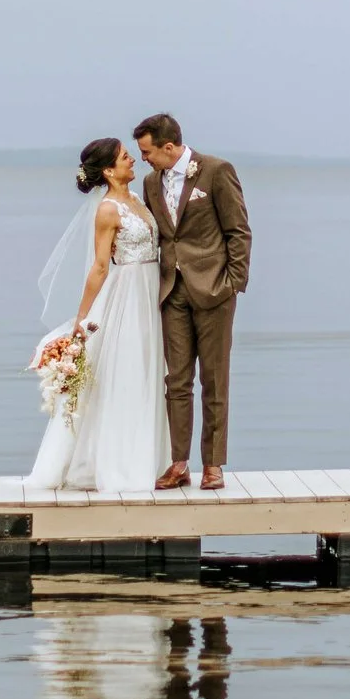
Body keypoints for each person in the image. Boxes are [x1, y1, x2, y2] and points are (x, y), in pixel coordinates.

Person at [27, 138, 173, 493]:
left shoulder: (136, 199)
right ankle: (118, 464)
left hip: (149, 292)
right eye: (125, 156)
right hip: (126, 295)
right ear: (109, 170)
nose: (132, 160)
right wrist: (83, 317)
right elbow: (99, 266)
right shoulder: (108, 210)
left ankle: (150, 459)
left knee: (148, 371)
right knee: (124, 373)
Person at [131, 114, 250, 491]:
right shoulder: (151, 183)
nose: (144, 159)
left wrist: (233, 283)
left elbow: (238, 231)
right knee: (176, 381)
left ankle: (213, 465)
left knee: (214, 381)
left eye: (148, 152)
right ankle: (179, 462)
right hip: (172, 293)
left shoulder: (216, 170)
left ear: (169, 147)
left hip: (215, 289)